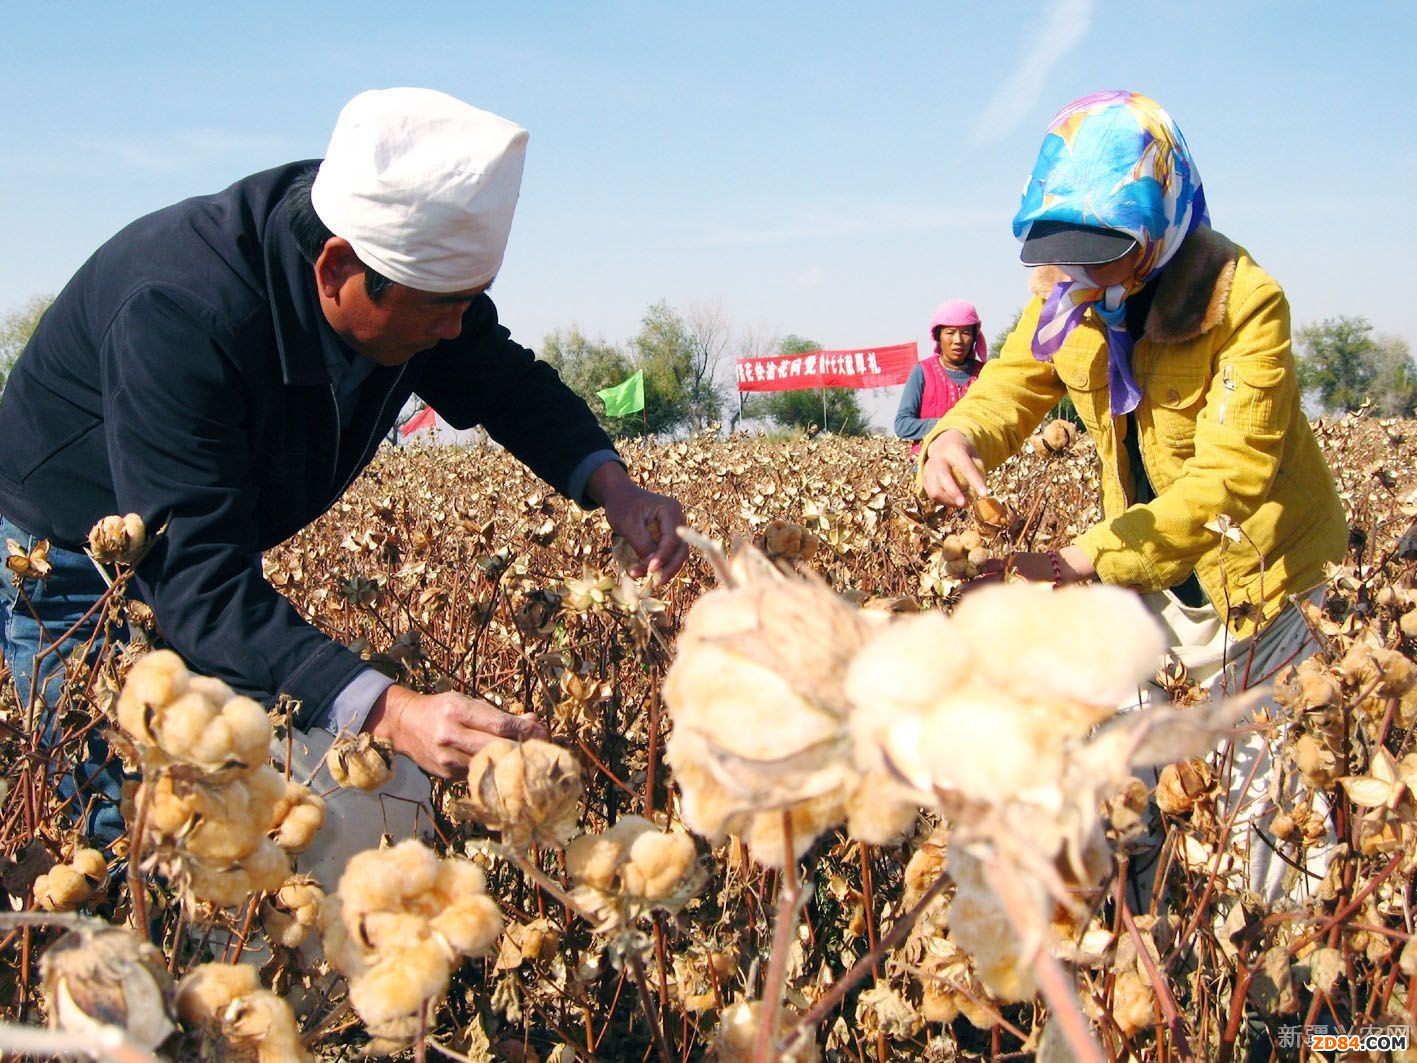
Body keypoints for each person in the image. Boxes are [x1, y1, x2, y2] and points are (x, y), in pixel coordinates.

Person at [0, 88, 689, 844]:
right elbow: (198, 582)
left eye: (470, 302)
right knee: (133, 826)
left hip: (198, 550)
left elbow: (504, 380)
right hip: (68, 566)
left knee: (245, 810)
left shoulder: (403, 264)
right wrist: (394, 711)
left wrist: (614, 488)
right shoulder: (182, 313)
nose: (456, 328)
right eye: (440, 309)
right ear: (336, 269)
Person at [919, 90, 1348, 900]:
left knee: (1270, 818)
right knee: (1130, 792)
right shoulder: (1069, 300)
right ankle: (1154, 966)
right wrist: (955, 437)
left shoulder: (1244, 303)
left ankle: (1289, 1007)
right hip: (1145, 580)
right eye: (1061, 249)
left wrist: (1082, 556)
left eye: (1100, 249)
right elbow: (1011, 381)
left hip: (1258, 590)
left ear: (1159, 225)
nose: (1076, 270)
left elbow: (1229, 479)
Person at [894, 300, 988, 456]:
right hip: (929, 462)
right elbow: (902, 425)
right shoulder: (922, 371)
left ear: (974, 337)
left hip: (976, 461)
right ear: (938, 336)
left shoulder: (985, 374)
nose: (958, 340)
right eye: (950, 333)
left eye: (966, 333)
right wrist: (946, 425)